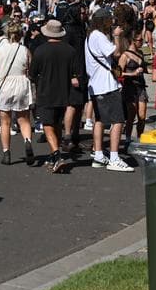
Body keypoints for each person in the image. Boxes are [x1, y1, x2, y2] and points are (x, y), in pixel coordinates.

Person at [82, 9, 134, 172]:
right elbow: (117, 53)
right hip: (107, 85)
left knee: (100, 120)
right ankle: (114, 157)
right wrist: (117, 36)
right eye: (109, 19)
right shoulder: (99, 36)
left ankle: (98, 155)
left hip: (96, 85)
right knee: (118, 121)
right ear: (103, 20)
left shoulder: (90, 36)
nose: (112, 23)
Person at [29, 19, 82, 173]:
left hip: (45, 91)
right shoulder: (70, 51)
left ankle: (56, 154)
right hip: (63, 91)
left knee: (47, 124)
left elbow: (32, 73)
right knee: (57, 123)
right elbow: (75, 72)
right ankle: (55, 154)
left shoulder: (40, 50)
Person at [0, 22, 35, 166]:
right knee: (24, 119)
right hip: (21, 84)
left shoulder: (0, 50)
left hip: (5, 85)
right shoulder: (24, 50)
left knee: (5, 121)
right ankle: (27, 141)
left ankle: (6, 152)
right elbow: (30, 68)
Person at [119, 33, 148, 142]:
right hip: (130, 87)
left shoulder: (140, 53)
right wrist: (132, 74)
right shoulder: (125, 55)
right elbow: (118, 73)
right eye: (140, 40)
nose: (142, 42)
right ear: (133, 41)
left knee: (142, 116)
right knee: (131, 115)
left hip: (141, 86)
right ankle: (128, 139)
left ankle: (140, 139)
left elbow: (145, 69)